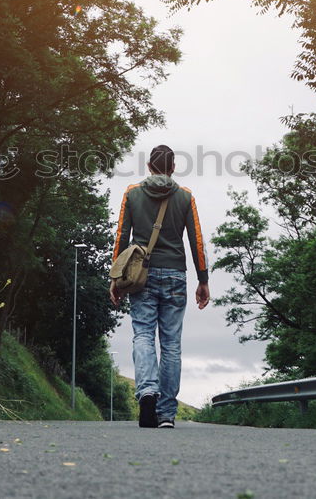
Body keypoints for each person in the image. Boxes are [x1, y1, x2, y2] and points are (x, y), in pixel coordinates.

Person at [110, 144, 210, 428]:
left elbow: (121, 237)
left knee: (142, 334)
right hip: (176, 275)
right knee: (171, 344)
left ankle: (147, 393)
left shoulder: (131, 193)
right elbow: (197, 241)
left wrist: (115, 278)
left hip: (141, 275)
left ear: (149, 166)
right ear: (173, 167)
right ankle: (166, 413)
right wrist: (203, 279)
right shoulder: (185, 197)